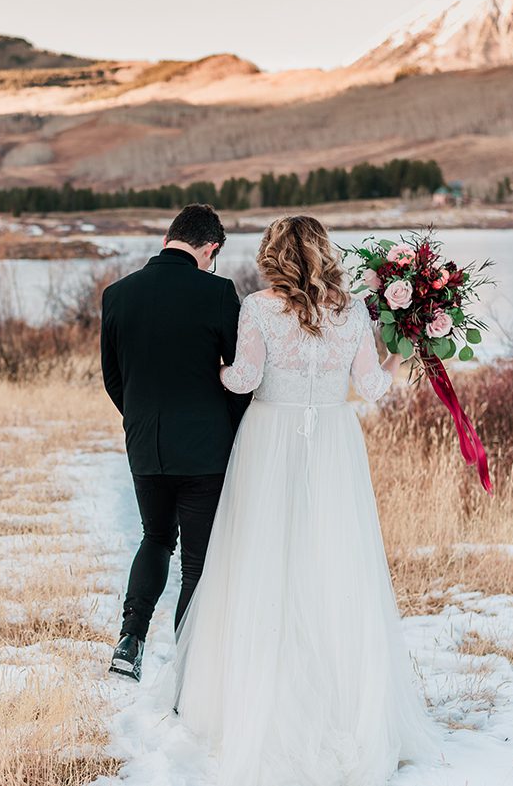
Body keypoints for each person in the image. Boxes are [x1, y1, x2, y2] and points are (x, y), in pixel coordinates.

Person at [171, 215, 439, 785]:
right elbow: (370, 388)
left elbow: (244, 380)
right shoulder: (352, 312)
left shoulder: (258, 308)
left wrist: (214, 371)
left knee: (265, 560)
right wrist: (400, 352)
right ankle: (342, 704)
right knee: (333, 564)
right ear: (323, 252)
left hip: (270, 440)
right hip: (335, 445)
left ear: (273, 254)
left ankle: (251, 697)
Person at [100, 203, 251, 681]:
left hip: (146, 444)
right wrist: (225, 426)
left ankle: (131, 640)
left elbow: (113, 378)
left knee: (156, 538)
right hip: (206, 449)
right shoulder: (219, 292)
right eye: (214, 257)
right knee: (197, 562)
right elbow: (241, 377)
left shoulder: (118, 294)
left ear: (169, 238)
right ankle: (187, 665)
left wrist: (143, 419)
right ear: (212, 248)